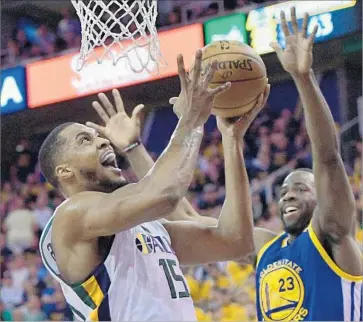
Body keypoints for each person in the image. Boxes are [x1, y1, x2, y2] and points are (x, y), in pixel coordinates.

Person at [38, 50, 269, 321]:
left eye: (98, 137)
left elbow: (235, 242)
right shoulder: (71, 215)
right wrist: (191, 119)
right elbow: (164, 194)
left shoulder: (148, 228)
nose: (103, 141)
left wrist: (231, 140)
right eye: (84, 141)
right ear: (64, 172)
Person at [252, 8, 362, 321]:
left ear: (321, 197)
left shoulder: (333, 235)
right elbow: (192, 219)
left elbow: (328, 159)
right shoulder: (265, 250)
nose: (287, 195)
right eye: (284, 190)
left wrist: (303, 77)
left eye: (300, 188)